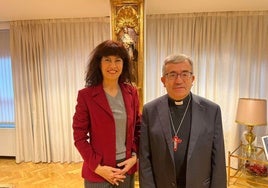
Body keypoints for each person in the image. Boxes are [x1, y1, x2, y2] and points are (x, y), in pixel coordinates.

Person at [139, 54, 227, 188]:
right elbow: (145, 159)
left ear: (193, 79)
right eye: (172, 74)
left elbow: (218, 159)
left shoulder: (211, 110)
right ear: (163, 80)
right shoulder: (150, 111)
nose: (179, 80)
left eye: (185, 74)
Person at [72, 40, 141, 188]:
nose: (113, 66)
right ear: (99, 63)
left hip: (126, 169)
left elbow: (138, 128)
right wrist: (97, 167)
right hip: (99, 171)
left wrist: (135, 157)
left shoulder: (132, 93)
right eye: (107, 60)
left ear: (124, 64)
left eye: (118, 60)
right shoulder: (86, 96)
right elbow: (79, 136)